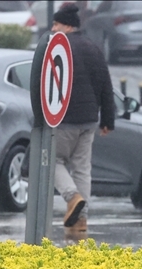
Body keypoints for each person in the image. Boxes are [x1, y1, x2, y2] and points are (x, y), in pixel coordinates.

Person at [50, 3, 114, 233]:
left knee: (51, 161)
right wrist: (108, 119)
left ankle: (72, 197)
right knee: (82, 168)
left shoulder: (58, 49)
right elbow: (106, 84)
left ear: (67, 26)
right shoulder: (93, 48)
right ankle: (81, 221)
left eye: (56, 24)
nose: (52, 28)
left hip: (64, 118)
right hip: (89, 119)